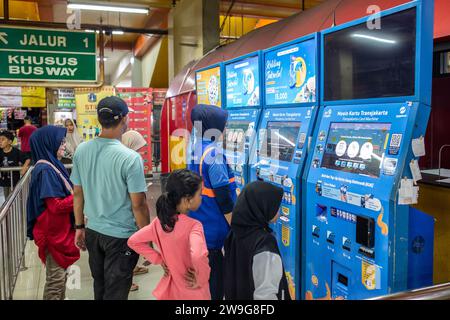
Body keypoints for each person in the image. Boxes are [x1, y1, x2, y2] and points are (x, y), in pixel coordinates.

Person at [71, 96, 150, 300]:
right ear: (124, 119)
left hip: (92, 232)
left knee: (101, 287)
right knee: (116, 293)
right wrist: (147, 237)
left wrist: (79, 227)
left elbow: (78, 193)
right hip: (121, 236)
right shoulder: (130, 158)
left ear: (99, 119)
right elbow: (138, 204)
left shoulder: (82, 150)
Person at [128, 169, 211, 300]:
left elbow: (133, 241)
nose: (201, 197)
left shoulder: (159, 223)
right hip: (194, 292)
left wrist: (159, 259)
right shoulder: (194, 226)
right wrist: (201, 278)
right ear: (187, 200)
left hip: (170, 290)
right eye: (199, 194)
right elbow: (198, 254)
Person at [188, 104, 237, 300]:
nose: (226, 129)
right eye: (224, 125)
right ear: (213, 127)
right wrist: (239, 228)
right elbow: (224, 198)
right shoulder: (214, 155)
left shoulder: (195, 147)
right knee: (216, 285)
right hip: (215, 230)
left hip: (200, 224)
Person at [26, 125, 80, 300]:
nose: (64, 145)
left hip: (58, 231)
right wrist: (80, 195)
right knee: (56, 282)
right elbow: (56, 206)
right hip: (54, 234)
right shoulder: (46, 170)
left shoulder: (49, 165)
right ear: (48, 143)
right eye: (60, 141)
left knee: (59, 278)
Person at [223, 180, 291, 300]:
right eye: (276, 206)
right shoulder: (264, 243)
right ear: (262, 207)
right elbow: (266, 294)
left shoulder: (234, 233)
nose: (279, 211)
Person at [121, 129, 149, 292]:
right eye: (137, 148)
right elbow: (138, 203)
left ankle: (132, 268)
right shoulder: (128, 160)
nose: (139, 152)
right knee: (126, 246)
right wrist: (146, 232)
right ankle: (127, 278)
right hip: (125, 214)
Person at [0, 130, 31, 199]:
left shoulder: (16, 152)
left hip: (14, 181)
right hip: (4, 181)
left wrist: (24, 168)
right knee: (7, 198)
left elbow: (27, 159)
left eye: (3, 139)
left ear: (10, 142)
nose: (0, 141)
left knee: (14, 198)